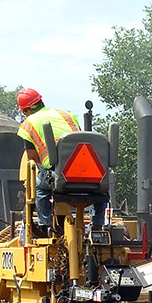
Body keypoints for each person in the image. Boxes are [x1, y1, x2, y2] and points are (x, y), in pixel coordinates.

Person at [16, 87, 106, 234]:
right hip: (86, 172)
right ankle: (97, 225)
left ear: (25, 111)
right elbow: (79, 140)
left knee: (39, 188)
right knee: (102, 190)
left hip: (57, 175)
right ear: (41, 101)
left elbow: (32, 157)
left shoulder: (28, 124)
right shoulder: (68, 115)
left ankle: (45, 226)